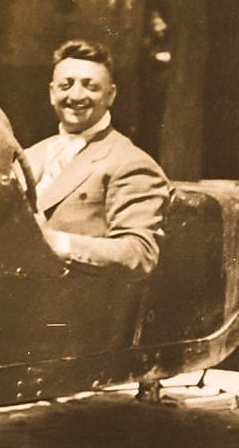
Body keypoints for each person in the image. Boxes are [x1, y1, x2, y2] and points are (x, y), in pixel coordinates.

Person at [25, 39, 171, 279]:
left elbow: (139, 253)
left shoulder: (130, 162)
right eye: (66, 85)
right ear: (52, 93)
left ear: (111, 95)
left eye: (90, 86)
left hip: (73, 307)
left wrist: (55, 242)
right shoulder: (30, 155)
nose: (76, 95)